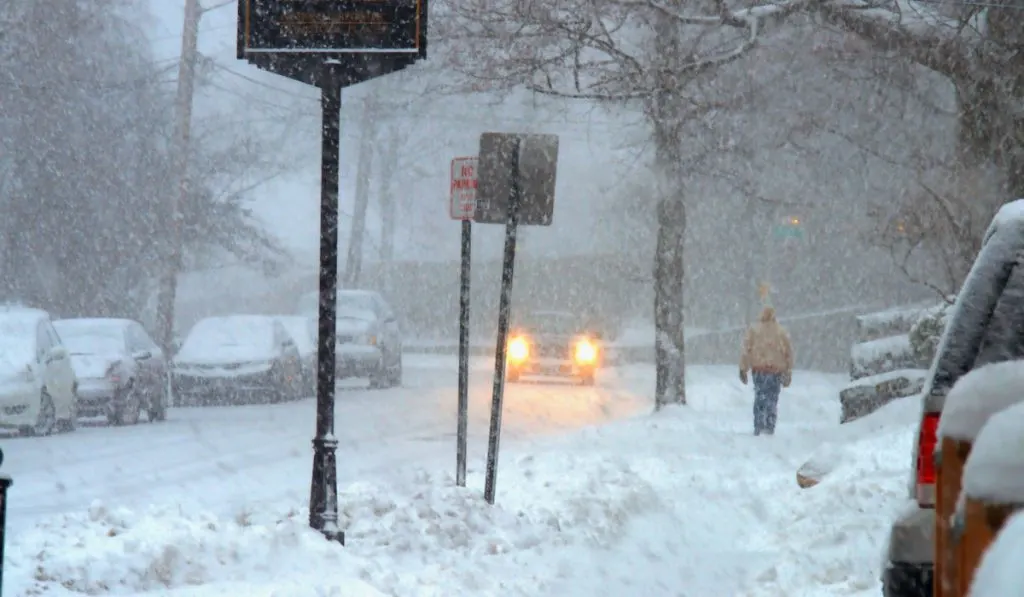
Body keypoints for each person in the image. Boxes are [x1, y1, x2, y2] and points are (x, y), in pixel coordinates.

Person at [739, 306, 794, 436]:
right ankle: (770, 425)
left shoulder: (754, 330)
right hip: (775, 371)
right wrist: (788, 371)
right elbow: (789, 353)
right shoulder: (781, 332)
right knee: (772, 399)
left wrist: (743, 368)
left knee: (760, 397)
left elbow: (746, 351)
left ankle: (759, 425)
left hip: (759, 370)